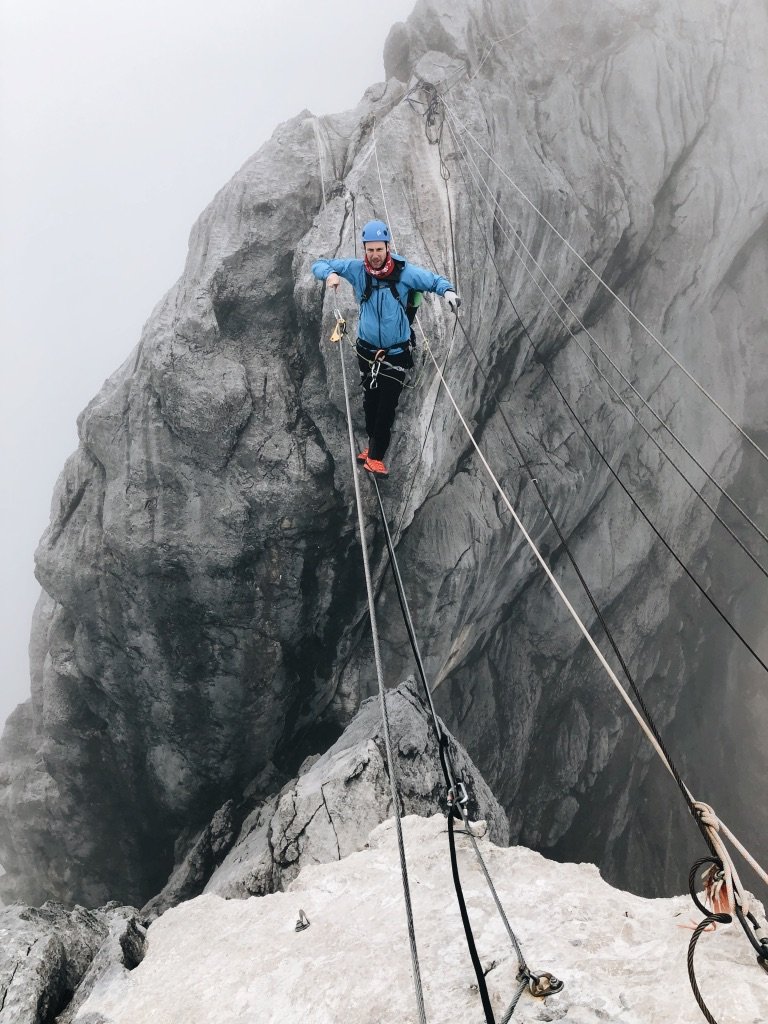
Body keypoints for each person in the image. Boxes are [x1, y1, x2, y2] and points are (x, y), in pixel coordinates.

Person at [312, 219, 459, 478]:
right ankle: (371, 449)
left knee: (386, 405)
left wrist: (447, 292)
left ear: (387, 248)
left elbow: (433, 280)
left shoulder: (404, 273)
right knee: (370, 401)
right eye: (370, 250)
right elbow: (319, 264)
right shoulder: (357, 270)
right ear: (364, 249)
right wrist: (330, 274)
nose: (375, 255)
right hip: (367, 350)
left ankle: (376, 456)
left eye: (379, 249)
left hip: (395, 353)